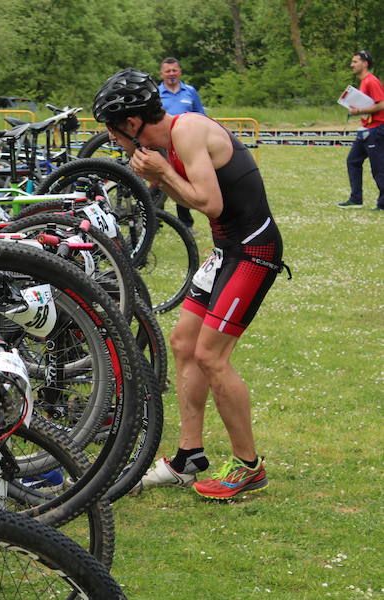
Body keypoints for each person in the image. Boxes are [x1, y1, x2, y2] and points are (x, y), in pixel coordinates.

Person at [92, 68, 287, 500]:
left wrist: (162, 172)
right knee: (183, 344)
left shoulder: (189, 131)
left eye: (113, 131)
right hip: (226, 251)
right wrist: (160, 175)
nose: (114, 141)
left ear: (132, 123)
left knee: (211, 356)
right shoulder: (164, 145)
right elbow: (193, 199)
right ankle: (189, 458)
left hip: (254, 251)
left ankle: (248, 466)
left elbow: (210, 202)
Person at [157, 57, 205, 230]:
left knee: (183, 181)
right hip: (161, 145)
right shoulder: (156, 93)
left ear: (180, 71)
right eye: (168, 71)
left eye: (174, 70)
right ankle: (155, 221)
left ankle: (186, 224)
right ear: (161, 73)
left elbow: (201, 115)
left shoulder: (190, 91)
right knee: (158, 180)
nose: (171, 74)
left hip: (184, 144)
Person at [338, 50, 384, 210]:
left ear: (365, 64)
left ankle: (383, 204)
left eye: (355, 61)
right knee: (353, 161)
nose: (352, 64)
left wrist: (359, 111)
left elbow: (382, 104)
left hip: (376, 129)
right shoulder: (363, 82)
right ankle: (356, 199)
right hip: (365, 129)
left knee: (379, 168)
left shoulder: (371, 81)